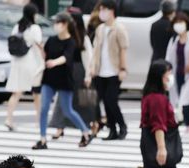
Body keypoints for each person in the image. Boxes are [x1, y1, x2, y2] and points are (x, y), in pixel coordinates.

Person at [33, 13, 95, 151]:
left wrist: (54, 62)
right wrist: (40, 49)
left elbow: (67, 57)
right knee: (44, 108)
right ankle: (42, 139)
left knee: (68, 110)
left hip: (64, 79)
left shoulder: (71, 42)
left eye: (58, 22)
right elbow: (46, 56)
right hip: (49, 78)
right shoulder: (51, 40)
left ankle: (86, 132)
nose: (55, 25)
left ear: (65, 24)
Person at [140, 59, 184, 168]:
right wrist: (162, 148)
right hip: (157, 142)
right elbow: (158, 125)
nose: (170, 77)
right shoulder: (158, 99)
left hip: (147, 142)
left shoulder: (148, 95)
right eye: (168, 73)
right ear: (159, 76)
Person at [49, 9, 98, 139]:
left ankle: (89, 126)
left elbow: (89, 57)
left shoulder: (83, 37)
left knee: (83, 102)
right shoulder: (65, 36)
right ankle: (60, 127)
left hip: (79, 71)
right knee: (62, 101)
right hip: (67, 70)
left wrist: (88, 75)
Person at [87, 0, 129, 140]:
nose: (101, 13)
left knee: (111, 100)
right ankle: (112, 129)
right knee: (104, 101)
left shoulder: (119, 28)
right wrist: (92, 68)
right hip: (100, 71)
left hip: (114, 71)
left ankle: (122, 126)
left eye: (104, 9)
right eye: (100, 10)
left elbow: (123, 50)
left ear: (112, 11)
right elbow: (95, 51)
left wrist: (123, 69)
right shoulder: (100, 29)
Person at [5, 4, 44, 132]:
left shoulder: (17, 26)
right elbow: (39, 44)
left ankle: (8, 119)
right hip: (30, 62)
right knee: (36, 92)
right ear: (33, 14)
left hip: (17, 62)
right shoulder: (35, 28)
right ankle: (39, 120)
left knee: (16, 92)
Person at [166, 12, 189, 136]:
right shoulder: (174, 39)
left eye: (181, 22)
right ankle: (184, 122)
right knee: (179, 98)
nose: (178, 25)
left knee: (186, 99)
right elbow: (169, 58)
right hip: (177, 74)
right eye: (176, 23)